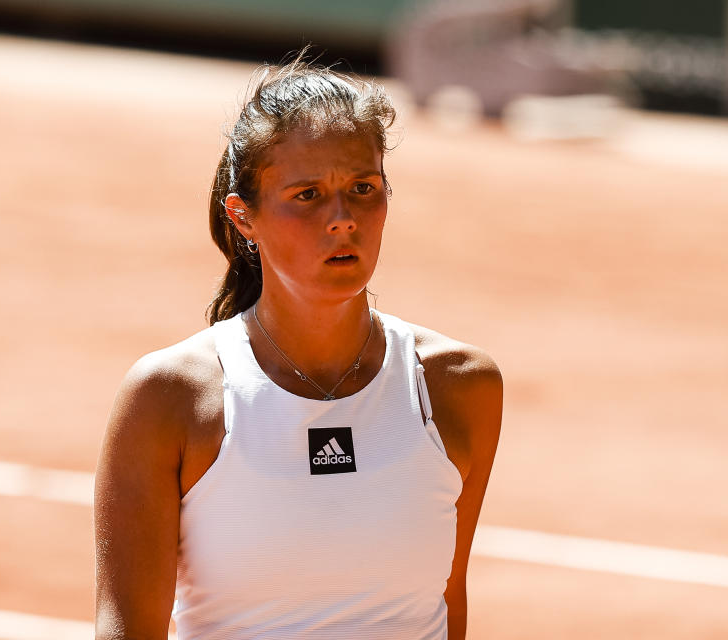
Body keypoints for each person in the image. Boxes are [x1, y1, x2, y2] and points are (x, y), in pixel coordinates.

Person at [93, 54, 503, 640]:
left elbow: (445, 608)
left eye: (363, 188)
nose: (343, 219)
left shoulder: (460, 386)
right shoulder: (169, 397)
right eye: (307, 195)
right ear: (245, 217)